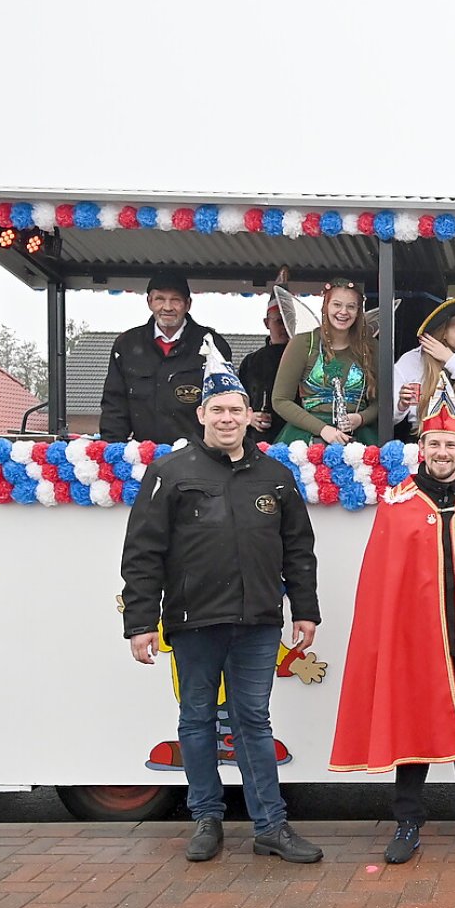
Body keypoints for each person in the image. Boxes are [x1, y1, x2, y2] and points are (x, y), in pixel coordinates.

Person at [120, 339, 323, 864]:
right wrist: (142, 622)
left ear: (249, 415)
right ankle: (206, 820)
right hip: (193, 622)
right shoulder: (169, 472)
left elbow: (298, 548)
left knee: (254, 721)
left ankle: (270, 827)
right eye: (219, 410)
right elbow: (143, 552)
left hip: (257, 621)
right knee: (196, 721)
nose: (228, 418)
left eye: (236, 409)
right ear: (201, 413)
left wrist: (304, 609)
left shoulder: (276, 477)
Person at [331, 374, 455, 864]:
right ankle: (407, 820)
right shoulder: (398, 507)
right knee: (414, 722)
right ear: (420, 448)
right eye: (434, 444)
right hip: (415, 637)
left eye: (451, 443)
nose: (443, 451)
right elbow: (381, 585)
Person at [99, 274, 233, 444]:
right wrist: (112, 451)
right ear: (149, 302)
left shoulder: (212, 344)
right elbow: (115, 404)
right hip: (142, 456)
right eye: (160, 299)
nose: (167, 307)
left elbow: (225, 403)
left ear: (188, 304)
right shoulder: (126, 345)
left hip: (197, 457)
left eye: (175, 300)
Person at [271, 280, 378, 446]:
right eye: (337, 304)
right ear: (325, 307)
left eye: (351, 306)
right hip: (307, 437)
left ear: (358, 312)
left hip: (358, 437)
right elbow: (280, 400)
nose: (343, 312)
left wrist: (361, 418)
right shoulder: (303, 343)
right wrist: (322, 429)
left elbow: (383, 402)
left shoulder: (371, 347)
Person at [393, 295, 455, 439]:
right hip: (421, 437)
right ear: (443, 333)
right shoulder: (412, 360)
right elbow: (389, 417)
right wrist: (401, 405)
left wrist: (449, 358)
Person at [238, 297, 290, 447]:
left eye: (288, 320)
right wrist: (249, 417)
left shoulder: (306, 359)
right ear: (267, 323)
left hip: (294, 437)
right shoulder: (251, 361)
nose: (285, 327)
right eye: (279, 321)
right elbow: (237, 400)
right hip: (258, 439)